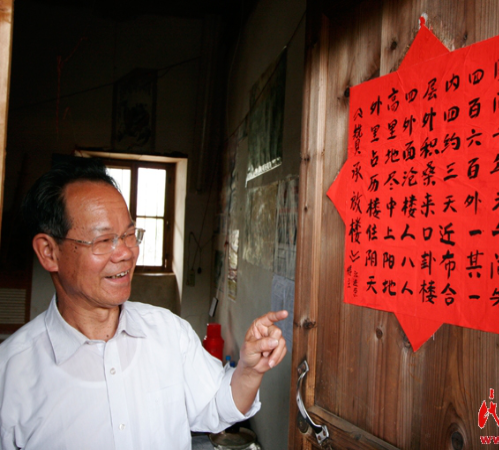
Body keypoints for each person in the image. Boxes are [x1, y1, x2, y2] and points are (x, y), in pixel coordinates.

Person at [0, 158, 287, 450]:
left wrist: (249, 370)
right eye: (103, 241)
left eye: (129, 235)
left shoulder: (169, 332)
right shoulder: (10, 374)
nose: (126, 252)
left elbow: (216, 405)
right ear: (49, 252)